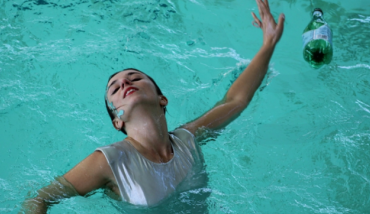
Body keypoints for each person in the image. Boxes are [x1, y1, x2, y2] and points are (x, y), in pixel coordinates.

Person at [21, 0, 284, 213]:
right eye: (115, 88)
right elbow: (40, 198)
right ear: (117, 121)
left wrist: (268, 45)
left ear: (162, 99)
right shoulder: (108, 162)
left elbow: (235, 101)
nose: (125, 82)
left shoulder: (188, 140)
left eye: (134, 77)